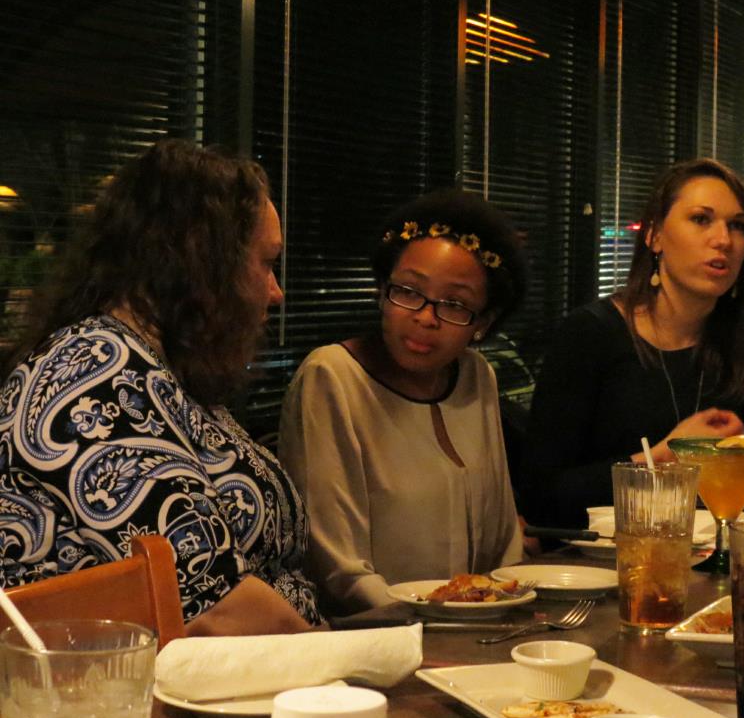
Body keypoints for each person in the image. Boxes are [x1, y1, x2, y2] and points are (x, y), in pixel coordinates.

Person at [0, 139, 321, 634]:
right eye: (265, 262)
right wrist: (355, 666)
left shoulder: (160, 368)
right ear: (201, 259)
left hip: (269, 667)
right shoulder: (94, 376)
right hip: (145, 679)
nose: (275, 292)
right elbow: (212, 607)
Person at [279, 188, 526, 615]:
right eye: (409, 291)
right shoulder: (333, 376)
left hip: (477, 626)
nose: (425, 317)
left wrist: (504, 602)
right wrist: (428, 618)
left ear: (483, 322)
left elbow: (504, 543)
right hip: (375, 632)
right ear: (381, 290)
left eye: (455, 304)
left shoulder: (476, 377)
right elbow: (338, 568)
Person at [520, 158, 744, 530]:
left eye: (737, 225)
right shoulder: (591, 332)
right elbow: (540, 496)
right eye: (701, 219)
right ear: (654, 236)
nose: (723, 240)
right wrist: (661, 458)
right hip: (602, 553)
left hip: (712, 548)